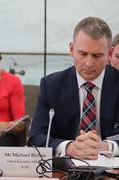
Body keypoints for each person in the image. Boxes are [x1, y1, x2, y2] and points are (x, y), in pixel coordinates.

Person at [28, 16, 119, 159]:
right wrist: (69, 147)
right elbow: (36, 137)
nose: (88, 63)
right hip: (66, 170)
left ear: (109, 54)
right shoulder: (51, 85)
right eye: (83, 54)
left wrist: (106, 147)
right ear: (71, 49)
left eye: (97, 56)